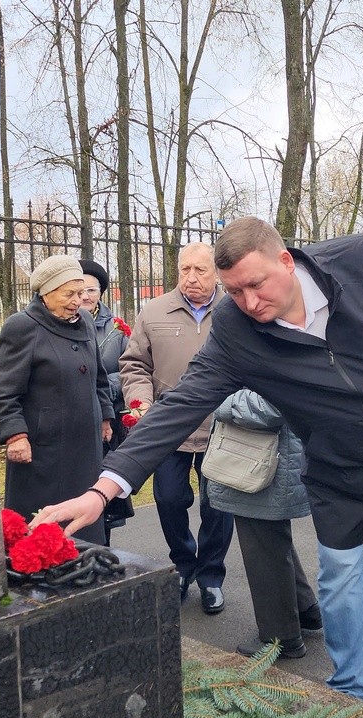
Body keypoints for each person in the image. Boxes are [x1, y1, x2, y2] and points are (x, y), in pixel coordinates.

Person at [33, 217, 363, 718]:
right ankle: (351, 697)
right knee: (340, 575)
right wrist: (104, 488)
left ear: (286, 261)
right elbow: (182, 403)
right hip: (338, 462)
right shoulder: (237, 329)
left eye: (256, 285)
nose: (250, 303)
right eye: (234, 292)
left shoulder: (362, 260)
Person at [118, 242, 234, 615]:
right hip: (170, 426)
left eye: (200, 270)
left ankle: (211, 577)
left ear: (216, 272)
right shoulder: (154, 311)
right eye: (185, 270)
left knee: (218, 506)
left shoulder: (235, 310)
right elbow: (134, 365)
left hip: (223, 427)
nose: (191, 278)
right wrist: (141, 402)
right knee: (168, 499)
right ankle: (183, 565)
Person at [0, 255, 115, 545]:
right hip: (42, 451)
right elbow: (4, 392)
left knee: (85, 523)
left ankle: (88, 569)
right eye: (69, 294)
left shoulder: (83, 319)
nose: (78, 300)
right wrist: (15, 435)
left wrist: (105, 415)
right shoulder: (22, 326)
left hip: (85, 447)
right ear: (46, 293)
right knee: (41, 530)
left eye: (81, 292)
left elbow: (98, 375)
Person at [204, 388, 321, 659]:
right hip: (266, 457)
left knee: (263, 548)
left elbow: (275, 405)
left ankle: (280, 637)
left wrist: (219, 399)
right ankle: (304, 610)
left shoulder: (277, 345)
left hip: (264, 460)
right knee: (270, 540)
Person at [79, 259, 134, 543]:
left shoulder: (116, 330)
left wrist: (98, 385)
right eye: (81, 289)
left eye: (92, 289)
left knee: (103, 490)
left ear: (101, 291)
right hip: (74, 420)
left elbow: (131, 371)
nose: (86, 296)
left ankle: (104, 546)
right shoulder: (65, 323)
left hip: (107, 420)